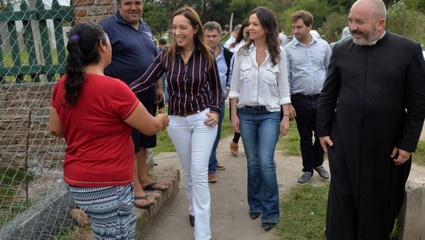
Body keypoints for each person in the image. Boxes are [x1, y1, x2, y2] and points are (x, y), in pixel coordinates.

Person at [48, 22, 169, 239]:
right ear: (102, 46)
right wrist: (162, 119)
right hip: (108, 183)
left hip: (77, 181)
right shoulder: (114, 89)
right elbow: (150, 127)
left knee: (107, 232)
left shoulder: (62, 84)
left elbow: (55, 129)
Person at [317, 0, 425, 239]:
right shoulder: (341, 50)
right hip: (345, 140)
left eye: (360, 22)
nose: (353, 27)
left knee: (380, 199)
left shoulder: (408, 51)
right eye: (350, 20)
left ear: (380, 23)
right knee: (342, 199)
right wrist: (322, 130)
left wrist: (407, 144)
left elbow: (418, 105)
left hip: (386, 144)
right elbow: (328, 94)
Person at [129, 7, 221, 240]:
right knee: (189, 171)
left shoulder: (206, 55)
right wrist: (118, 95)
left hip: (203, 119)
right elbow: (145, 81)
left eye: (183, 27)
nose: (177, 32)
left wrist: (217, 111)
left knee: (199, 173)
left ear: (194, 29)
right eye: (174, 27)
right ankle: (193, 207)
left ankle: (203, 234)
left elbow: (217, 90)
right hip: (177, 121)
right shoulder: (166, 55)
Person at [99, 0, 169, 210]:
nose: (134, 7)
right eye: (128, 3)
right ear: (119, 6)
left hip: (147, 94)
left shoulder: (145, 27)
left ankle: (144, 177)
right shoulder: (106, 27)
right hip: (124, 96)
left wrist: (158, 87)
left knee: (145, 140)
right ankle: (134, 186)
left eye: (137, 2)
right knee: (130, 141)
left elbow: (153, 59)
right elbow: (98, 58)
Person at [229, 6, 291, 232]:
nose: (250, 27)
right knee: (253, 162)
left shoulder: (280, 53)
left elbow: (284, 87)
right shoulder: (240, 53)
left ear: (266, 27)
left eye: (255, 24)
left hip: (270, 115)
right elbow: (234, 88)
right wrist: (234, 115)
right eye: (249, 23)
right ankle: (254, 203)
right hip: (246, 114)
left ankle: (271, 211)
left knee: (266, 163)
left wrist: (285, 116)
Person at [284, 10, 332, 185]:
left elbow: (330, 71)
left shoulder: (324, 46)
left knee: (322, 133)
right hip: (300, 99)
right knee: (305, 137)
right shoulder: (287, 49)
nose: (295, 31)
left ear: (310, 26)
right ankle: (307, 169)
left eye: (299, 27)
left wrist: (332, 98)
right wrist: (288, 103)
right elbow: (286, 77)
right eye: (293, 27)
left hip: (321, 98)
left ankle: (318, 164)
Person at [203, 21, 234, 183]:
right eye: (208, 36)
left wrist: (228, 87)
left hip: (219, 100)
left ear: (220, 35)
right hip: (201, 102)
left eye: (214, 36)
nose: (211, 39)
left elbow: (230, 73)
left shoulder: (227, 54)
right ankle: (210, 168)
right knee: (206, 134)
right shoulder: (198, 53)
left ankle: (212, 159)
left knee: (216, 134)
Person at [227, 19, 249, 157]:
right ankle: (235, 141)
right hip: (238, 90)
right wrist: (230, 87)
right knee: (239, 120)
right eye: (247, 31)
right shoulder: (235, 47)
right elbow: (231, 70)